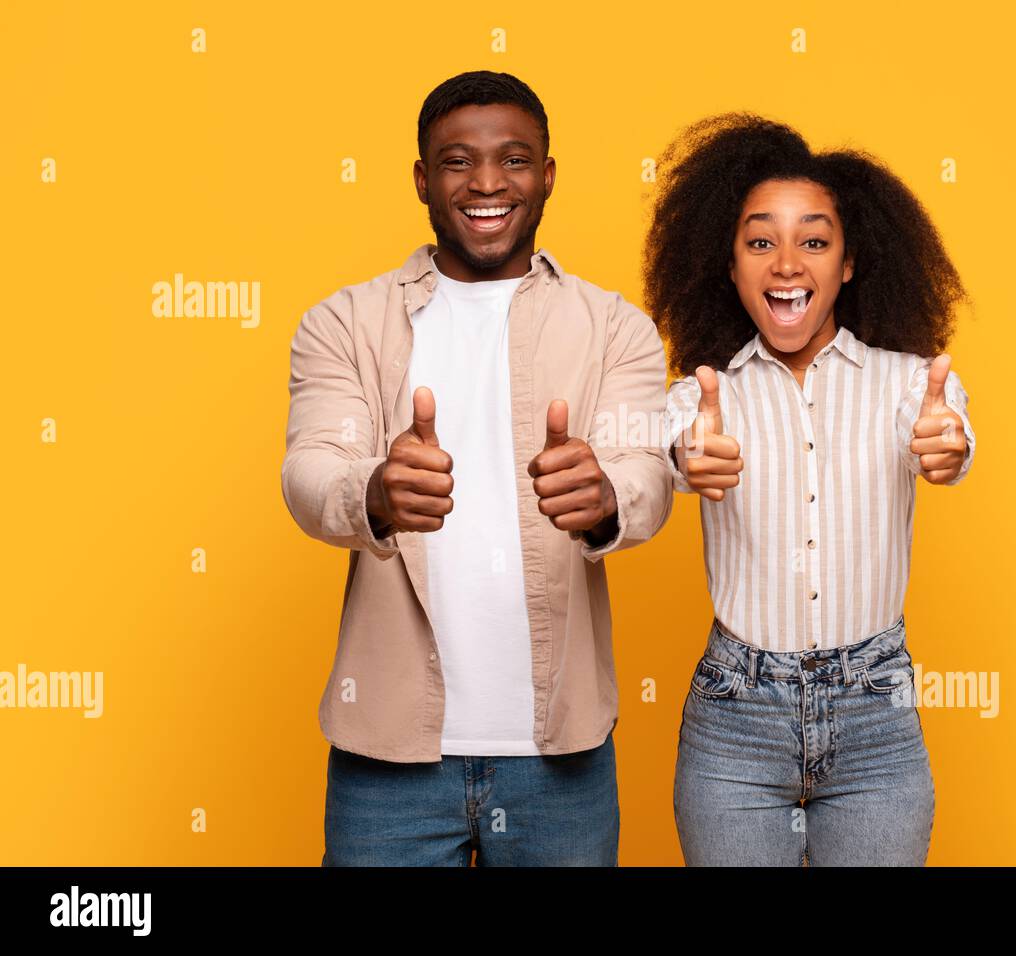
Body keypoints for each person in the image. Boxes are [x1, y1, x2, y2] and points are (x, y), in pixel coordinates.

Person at [280, 71, 673, 866]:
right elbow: (309, 471)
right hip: (387, 759)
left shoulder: (614, 328)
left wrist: (603, 498)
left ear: (548, 174)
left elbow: (649, 476)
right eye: (458, 161)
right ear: (423, 178)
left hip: (562, 757)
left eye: (514, 159)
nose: (487, 182)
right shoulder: (343, 323)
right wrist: (375, 493)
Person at [644, 113, 977, 866]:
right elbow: (669, 451)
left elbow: (945, 435)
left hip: (875, 714)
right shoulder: (703, 395)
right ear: (727, 266)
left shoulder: (908, 384)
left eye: (814, 241)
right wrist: (685, 456)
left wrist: (946, 446)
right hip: (735, 718)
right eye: (760, 241)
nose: (787, 262)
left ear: (850, 263)